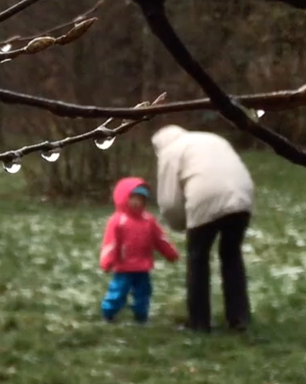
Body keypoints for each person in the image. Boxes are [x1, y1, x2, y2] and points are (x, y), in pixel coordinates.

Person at [151, 125, 255, 332]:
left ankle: (199, 322)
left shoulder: (169, 152)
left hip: (204, 198)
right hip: (242, 197)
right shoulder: (210, 137)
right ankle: (239, 318)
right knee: (231, 255)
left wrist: (181, 225)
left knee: (198, 259)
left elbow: (169, 200)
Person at [98, 177, 180, 323]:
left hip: (142, 266)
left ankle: (141, 315)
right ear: (123, 198)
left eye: (140, 199)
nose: (136, 202)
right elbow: (110, 243)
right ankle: (108, 312)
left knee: (143, 293)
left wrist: (170, 252)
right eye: (132, 198)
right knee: (118, 291)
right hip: (123, 267)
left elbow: (159, 239)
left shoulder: (148, 220)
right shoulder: (117, 221)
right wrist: (107, 261)